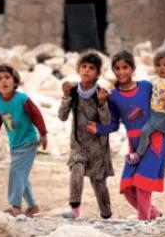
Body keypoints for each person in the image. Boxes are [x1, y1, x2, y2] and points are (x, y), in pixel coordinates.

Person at [87, 50, 165, 221]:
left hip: (154, 141)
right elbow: (113, 124)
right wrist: (98, 127)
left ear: (133, 68)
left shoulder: (146, 87)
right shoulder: (113, 97)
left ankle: (143, 223)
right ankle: (155, 215)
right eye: (117, 68)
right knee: (127, 188)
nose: (121, 72)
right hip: (134, 145)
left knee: (143, 185)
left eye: (125, 67)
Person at [58, 51, 114, 220]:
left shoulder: (101, 93)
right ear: (78, 69)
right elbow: (62, 116)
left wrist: (103, 104)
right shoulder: (73, 91)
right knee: (76, 170)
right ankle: (74, 209)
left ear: (98, 73)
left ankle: (106, 213)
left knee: (98, 183)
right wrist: (66, 96)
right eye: (83, 66)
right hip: (78, 144)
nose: (87, 70)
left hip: (98, 147)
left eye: (91, 68)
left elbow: (106, 122)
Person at [0, 64, 48, 218]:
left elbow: (36, 115)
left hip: (28, 141)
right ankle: (33, 206)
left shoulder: (22, 99)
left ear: (14, 81)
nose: (4, 81)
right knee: (22, 175)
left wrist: (43, 133)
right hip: (14, 144)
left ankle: (15, 206)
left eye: (7, 77)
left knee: (16, 172)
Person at [126, 50, 165, 165]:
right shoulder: (157, 81)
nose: (162, 68)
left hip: (160, 115)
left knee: (145, 132)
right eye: (158, 65)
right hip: (153, 112)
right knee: (154, 137)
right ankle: (161, 157)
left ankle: (138, 154)